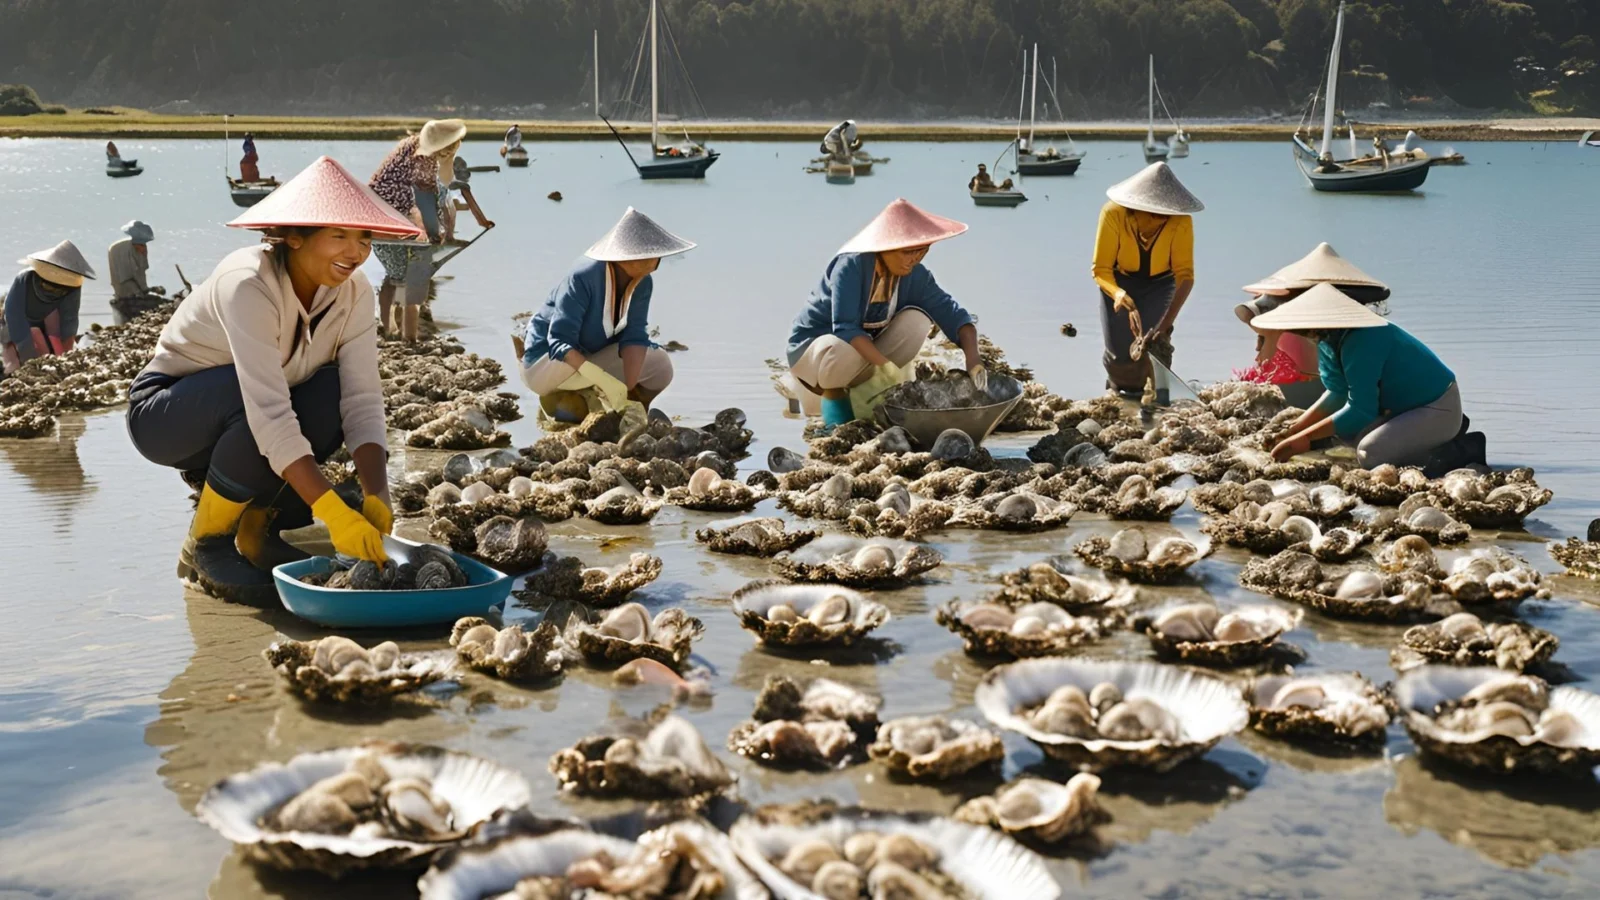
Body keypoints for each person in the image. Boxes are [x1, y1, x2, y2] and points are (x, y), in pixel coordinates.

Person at [125, 156, 421, 596]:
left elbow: (361, 398)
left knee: (328, 396)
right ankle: (207, 542)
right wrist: (334, 512)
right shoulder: (248, 283)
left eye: (364, 238)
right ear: (295, 237)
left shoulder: (354, 293)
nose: (356, 253)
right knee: (254, 402)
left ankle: (258, 530)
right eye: (338, 235)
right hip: (168, 415)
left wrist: (377, 492)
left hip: (250, 411)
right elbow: (268, 413)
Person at [787, 198, 987, 427]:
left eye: (922, 251)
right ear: (886, 246)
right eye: (908, 251)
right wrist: (886, 367)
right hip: (815, 354)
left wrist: (974, 358)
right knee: (844, 347)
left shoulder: (915, 275)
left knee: (917, 321)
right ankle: (835, 421)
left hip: (861, 357)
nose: (915, 258)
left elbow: (953, 313)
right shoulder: (850, 266)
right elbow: (845, 328)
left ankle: (868, 396)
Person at [1254, 283, 1463, 469]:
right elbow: (1338, 392)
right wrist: (1294, 430)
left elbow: (1361, 409)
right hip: (1398, 409)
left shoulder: (1365, 337)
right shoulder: (1328, 339)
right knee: (1346, 437)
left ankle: (1451, 453)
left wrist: (1303, 440)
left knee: (1370, 454)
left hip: (1436, 407)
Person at [520, 208, 689, 424]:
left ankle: (613, 407)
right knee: (569, 366)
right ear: (627, 256)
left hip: (590, 354)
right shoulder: (583, 277)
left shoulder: (643, 282)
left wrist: (627, 388)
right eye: (651, 253)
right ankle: (568, 394)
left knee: (660, 365)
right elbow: (559, 342)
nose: (657, 259)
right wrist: (604, 380)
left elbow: (635, 335)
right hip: (547, 362)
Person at [1091, 161, 1202, 397]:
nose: (1159, 220)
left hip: (1160, 285)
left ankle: (1154, 400)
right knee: (1119, 355)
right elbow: (1100, 269)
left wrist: (1165, 325)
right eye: (1153, 213)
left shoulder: (1181, 221)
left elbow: (1186, 276)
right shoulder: (1113, 213)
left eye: (1165, 215)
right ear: (1135, 207)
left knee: (1151, 350)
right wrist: (1119, 294)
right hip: (1119, 282)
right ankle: (1116, 393)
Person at [369, 118, 467, 342]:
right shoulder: (424, 161)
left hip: (378, 219)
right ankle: (409, 337)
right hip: (402, 225)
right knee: (414, 281)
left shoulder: (408, 145)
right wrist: (431, 234)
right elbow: (421, 203)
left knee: (394, 277)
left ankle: (388, 328)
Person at [2, 241, 94, 374]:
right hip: (15, 321)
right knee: (14, 361)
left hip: (47, 319)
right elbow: (14, 318)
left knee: (52, 353)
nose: (55, 291)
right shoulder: (24, 279)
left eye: (59, 289)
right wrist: (29, 359)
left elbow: (70, 319)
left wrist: (65, 355)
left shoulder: (72, 288)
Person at [107, 220, 168, 324]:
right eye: (141, 245)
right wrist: (140, 293)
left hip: (137, 294)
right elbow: (126, 279)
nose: (144, 249)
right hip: (126, 296)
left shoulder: (139, 251)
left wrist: (149, 289)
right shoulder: (121, 251)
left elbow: (140, 274)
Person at [442, 155, 495, 243]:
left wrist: (483, 221)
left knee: (449, 206)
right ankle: (447, 237)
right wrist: (483, 222)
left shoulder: (449, 176)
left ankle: (447, 236)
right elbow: (472, 203)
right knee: (448, 207)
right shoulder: (459, 184)